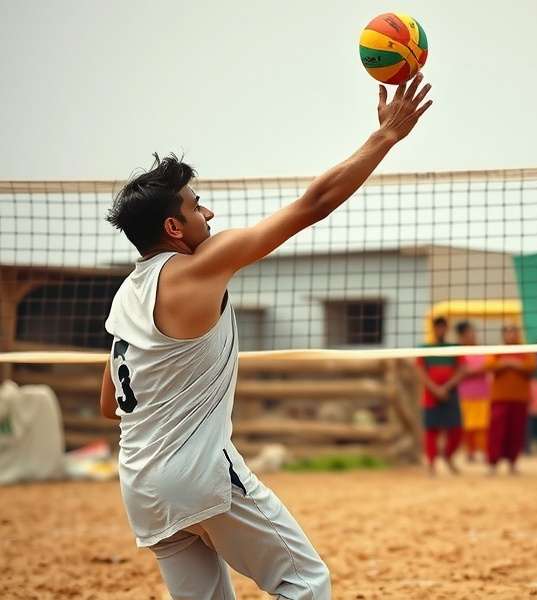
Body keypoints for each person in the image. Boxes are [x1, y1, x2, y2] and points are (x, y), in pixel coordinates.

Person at [100, 75, 433, 599]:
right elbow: (314, 205)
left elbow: (108, 403)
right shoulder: (199, 267)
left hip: (141, 486)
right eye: (196, 205)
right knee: (305, 582)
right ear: (173, 228)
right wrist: (385, 137)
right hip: (198, 475)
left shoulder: (125, 299)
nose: (207, 213)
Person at [485, 324, 537, 475]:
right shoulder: (497, 351)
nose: (511, 335)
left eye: (513, 331)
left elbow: (531, 367)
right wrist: (509, 363)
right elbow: (489, 366)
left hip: (520, 399)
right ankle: (493, 463)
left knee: (516, 432)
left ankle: (512, 463)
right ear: (503, 335)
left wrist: (510, 363)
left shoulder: (525, 350)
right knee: (496, 432)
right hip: (499, 398)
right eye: (507, 332)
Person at [417, 316, 463, 476]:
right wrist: (435, 389)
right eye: (438, 327)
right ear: (434, 328)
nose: (440, 330)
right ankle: (431, 464)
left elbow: (462, 369)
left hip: (450, 394)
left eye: (443, 327)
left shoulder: (454, 347)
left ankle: (448, 456)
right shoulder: (425, 348)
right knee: (431, 430)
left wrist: (446, 387)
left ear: (446, 328)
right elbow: (421, 372)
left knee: (456, 429)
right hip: (431, 395)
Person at [455, 321, 490, 462]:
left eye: (473, 332)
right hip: (465, 394)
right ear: (462, 336)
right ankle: (470, 453)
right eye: (470, 332)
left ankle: (485, 453)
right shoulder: (458, 351)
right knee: (468, 427)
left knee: (483, 426)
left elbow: (488, 367)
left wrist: (471, 372)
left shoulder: (482, 350)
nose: (473, 335)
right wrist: (475, 371)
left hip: (482, 393)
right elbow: (461, 371)